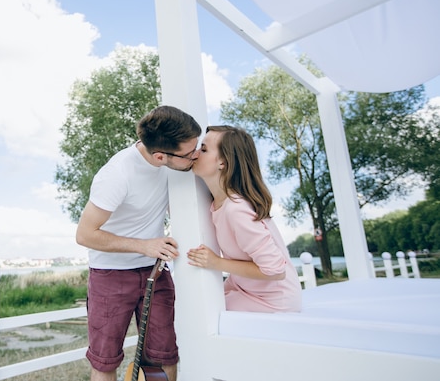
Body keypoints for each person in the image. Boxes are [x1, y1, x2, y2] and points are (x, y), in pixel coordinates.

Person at [76, 105, 202, 381]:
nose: (195, 156)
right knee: (105, 360)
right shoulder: (116, 175)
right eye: (189, 153)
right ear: (160, 156)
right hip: (110, 277)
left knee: (164, 355)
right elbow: (85, 234)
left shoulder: (174, 164)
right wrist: (144, 246)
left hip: (155, 274)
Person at [187, 125, 302, 313]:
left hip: (274, 300)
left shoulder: (237, 210)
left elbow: (275, 270)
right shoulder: (216, 203)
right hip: (243, 288)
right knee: (193, 307)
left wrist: (216, 263)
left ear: (223, 162)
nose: (196, 153)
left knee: (201, 315)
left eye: (204, 149)